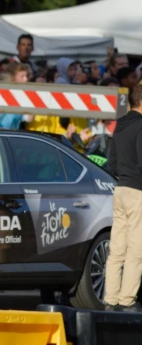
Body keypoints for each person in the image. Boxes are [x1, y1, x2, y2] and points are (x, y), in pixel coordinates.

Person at [104, 85, 142, 312]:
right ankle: (127, 300)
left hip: (120, 190)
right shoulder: (140, 126)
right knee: (137, 250)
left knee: (117, 248)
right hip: (138, 192)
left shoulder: (120, 125)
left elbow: (112, 164)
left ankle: (110, 299)